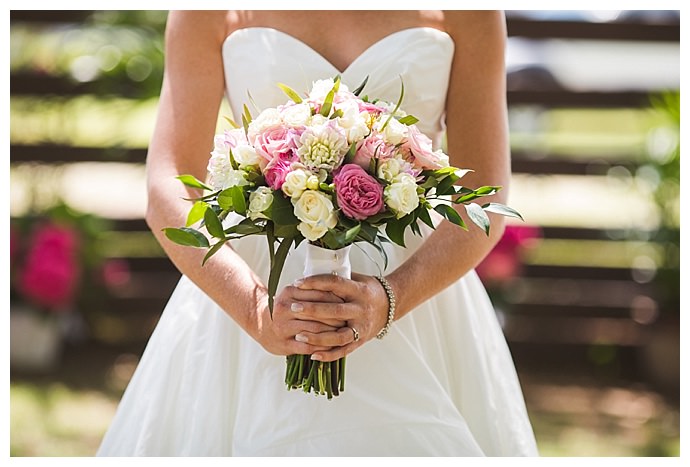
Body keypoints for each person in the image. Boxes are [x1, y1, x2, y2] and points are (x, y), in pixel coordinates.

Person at [97, 10, 539, 456]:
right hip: (250, 296)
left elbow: (481, 196)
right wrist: (254, 312)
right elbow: (168, 185)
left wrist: (390, 299)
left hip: (416, 297)